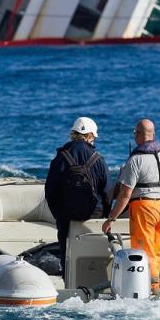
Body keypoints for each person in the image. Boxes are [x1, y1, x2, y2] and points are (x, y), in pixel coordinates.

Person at [102, 119, 160, 296]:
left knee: (145, 252)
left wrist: (111, 218)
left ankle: (150, 289)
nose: (134, 136)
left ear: (139, 135)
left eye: (135, 133)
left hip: (144, 208)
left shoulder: (135, 160)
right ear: (154, 135)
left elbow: (125, 194)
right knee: (157, 251)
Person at [44, 117, 111, 274]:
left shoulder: (61, 157)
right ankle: (96, 275)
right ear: (89, 135)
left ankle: (68, 276)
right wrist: (105, 215)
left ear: (73, 134)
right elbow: (107, 191)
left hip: (66, 214)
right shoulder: (98, 159)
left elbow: (50, 191)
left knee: (65, 247)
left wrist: (58, 214)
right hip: (93, 212)